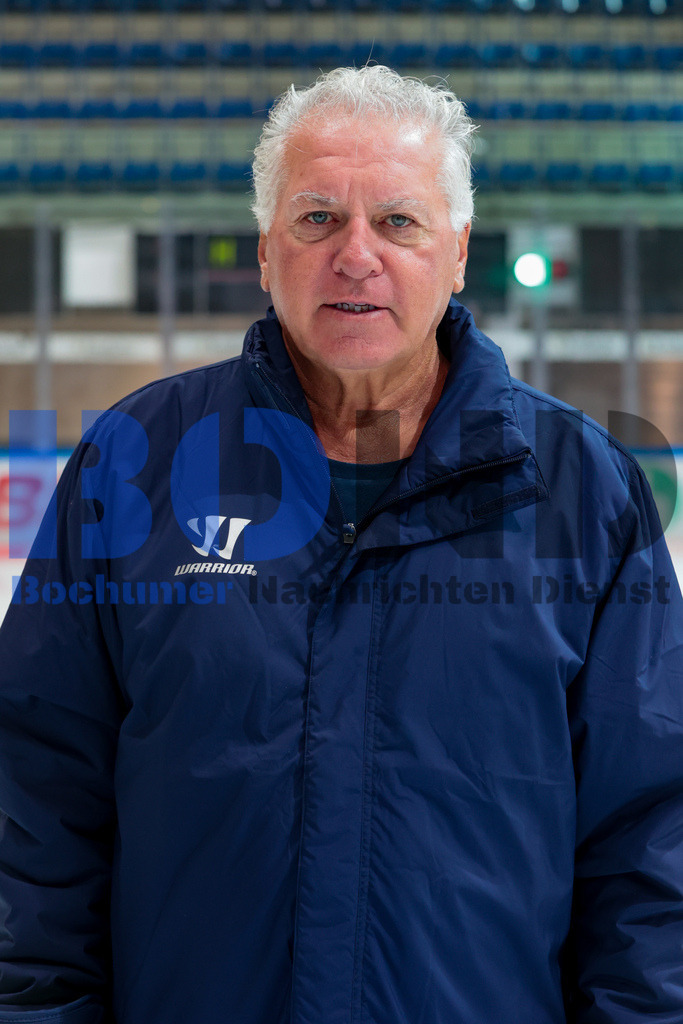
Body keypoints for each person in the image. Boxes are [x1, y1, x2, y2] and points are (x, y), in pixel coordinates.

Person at [0, 65, 682, 1024]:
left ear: (456, 252)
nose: (355, 254)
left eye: (398, 222)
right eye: (317, 220)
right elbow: (34, 806)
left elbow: (652, 840)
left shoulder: (583, 487)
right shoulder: (135, 461)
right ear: (267, 250)